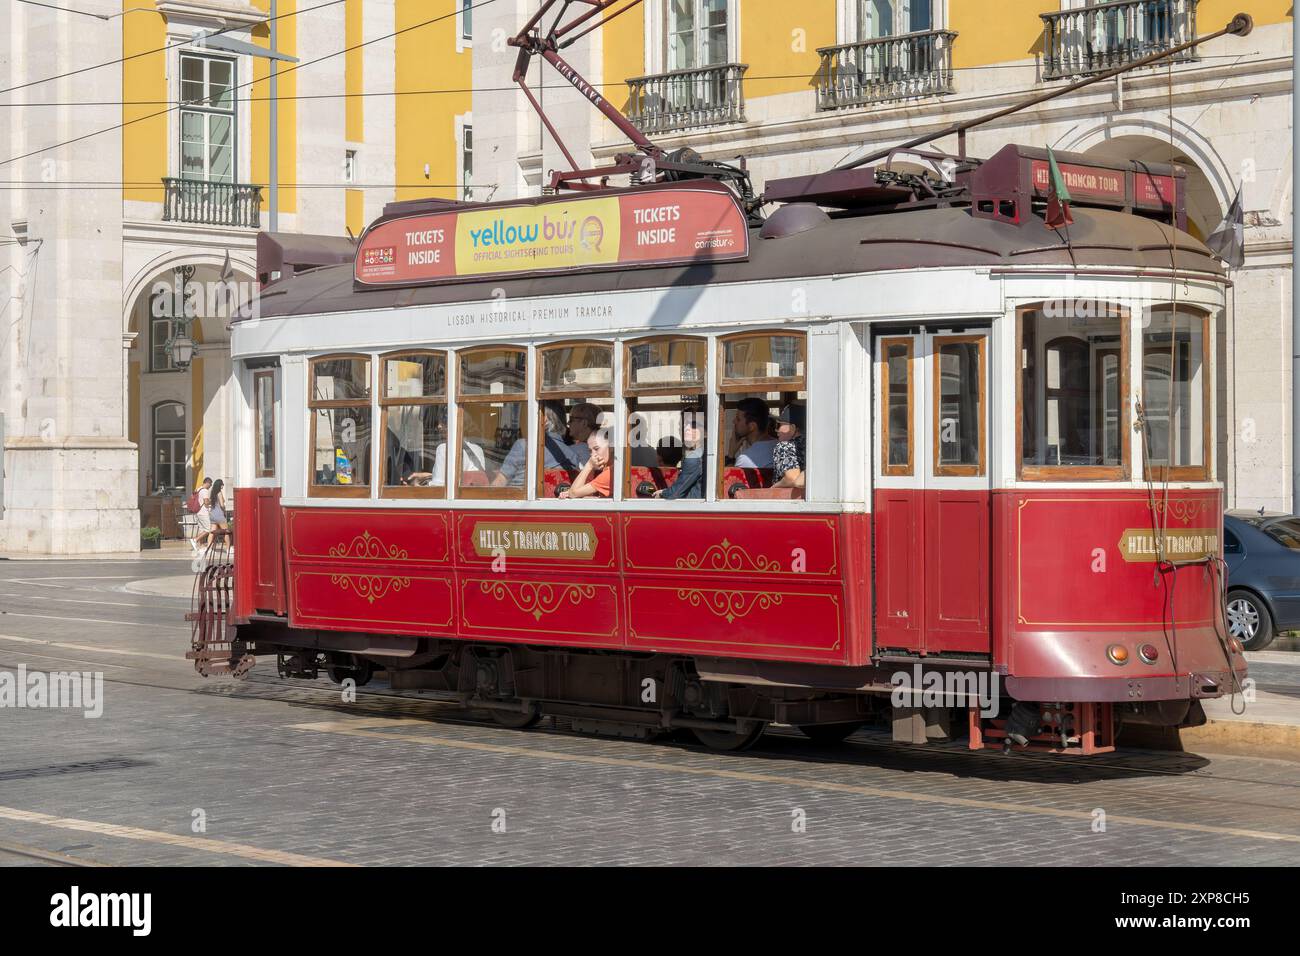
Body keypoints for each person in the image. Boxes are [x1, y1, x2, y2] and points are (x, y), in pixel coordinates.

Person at [656, 414, 705, 500]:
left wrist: (662, 493)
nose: (687, 428)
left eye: (694, 424)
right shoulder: (699, 453)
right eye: (685, 424)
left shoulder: (694, 458)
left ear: (705, 431)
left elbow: (675, 494)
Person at [560, 430, 612, 499]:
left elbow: (573, 493)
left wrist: (589, 465)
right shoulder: (609, 470)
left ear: (611, 447)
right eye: (590, 451)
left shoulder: (611, 473)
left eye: (596, 449)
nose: (592, 455)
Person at [732, 397, 776, 468]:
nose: (734, 421)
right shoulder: (778, 445)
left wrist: (730, 455)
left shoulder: (745, 459)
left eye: (738, 419)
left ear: (751, 426)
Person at [772, 404, 806, 489]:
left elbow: (791, 478)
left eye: (779, 425)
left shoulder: (785, 446)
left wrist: (773, 488)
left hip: (788, 496)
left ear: (793, 428)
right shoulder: (813, 445)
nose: (777, 430)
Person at [191, 477, 213, 551]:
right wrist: (211, 501)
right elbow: (206, 502)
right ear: (207, 483)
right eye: (210, 484)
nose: (210, 486)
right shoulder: (205, 491)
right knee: (208, 529)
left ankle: (201, 546)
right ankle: (195, 540)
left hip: (197, 512)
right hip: (203, 512)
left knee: (202, 529)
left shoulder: (198, 489)